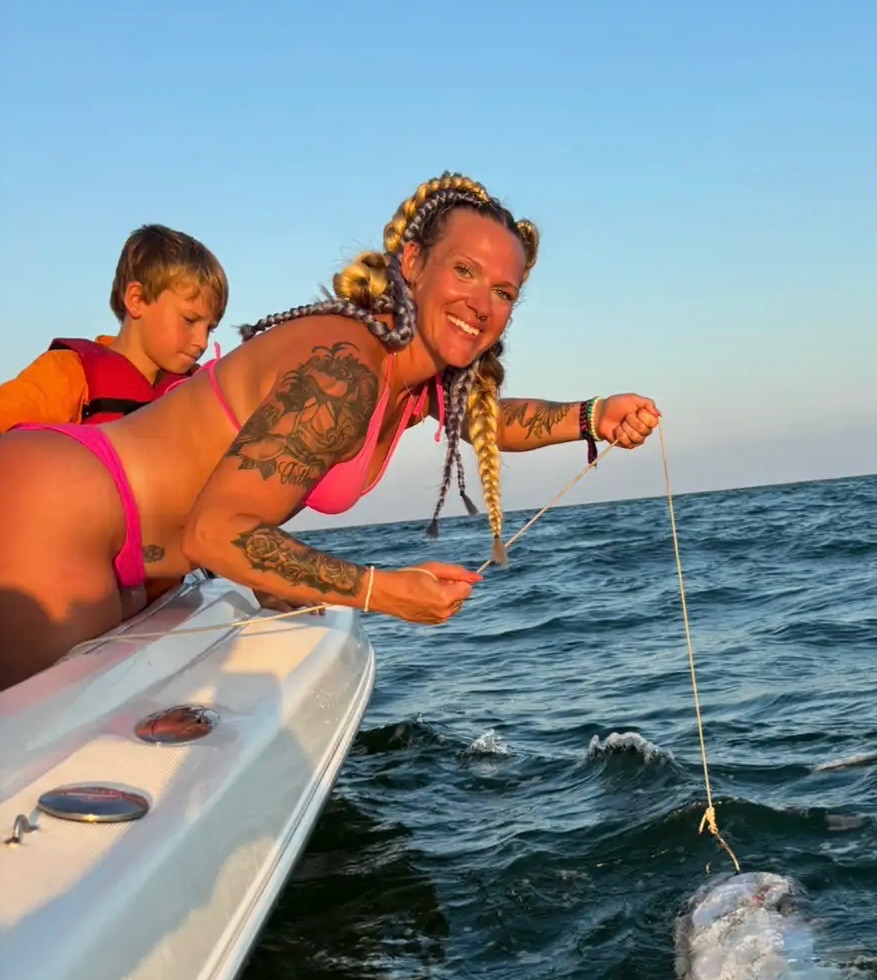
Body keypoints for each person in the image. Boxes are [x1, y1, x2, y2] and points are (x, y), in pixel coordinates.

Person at [0, 173, 660, 692]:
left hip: (128, 555)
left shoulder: (412, 378)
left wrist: (590, 416)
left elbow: (494, 420)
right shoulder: (349, 368)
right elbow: (217, 532)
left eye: (504, 291)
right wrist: (381, 589)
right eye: (463, 271)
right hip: (61, 507)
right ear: (412, 264)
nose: (482, 303)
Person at [0, 225, 228, 433]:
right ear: (136, 300)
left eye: (209, 329)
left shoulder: (201, 390)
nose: (202, 342)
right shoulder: (69, 375)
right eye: (189, 320)